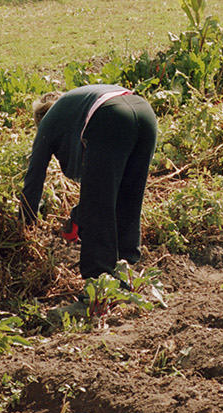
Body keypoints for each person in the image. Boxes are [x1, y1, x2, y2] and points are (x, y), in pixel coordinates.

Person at [20, 84, 159, 284]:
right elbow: (103, 183)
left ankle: (97, 284)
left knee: (98, 206)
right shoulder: (78, 106)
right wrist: (78, 216)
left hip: (111, 116)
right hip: (145, 113)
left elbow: (34, 177)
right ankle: (125, 272)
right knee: (129, 195)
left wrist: (24, 226)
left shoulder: (48, 122)